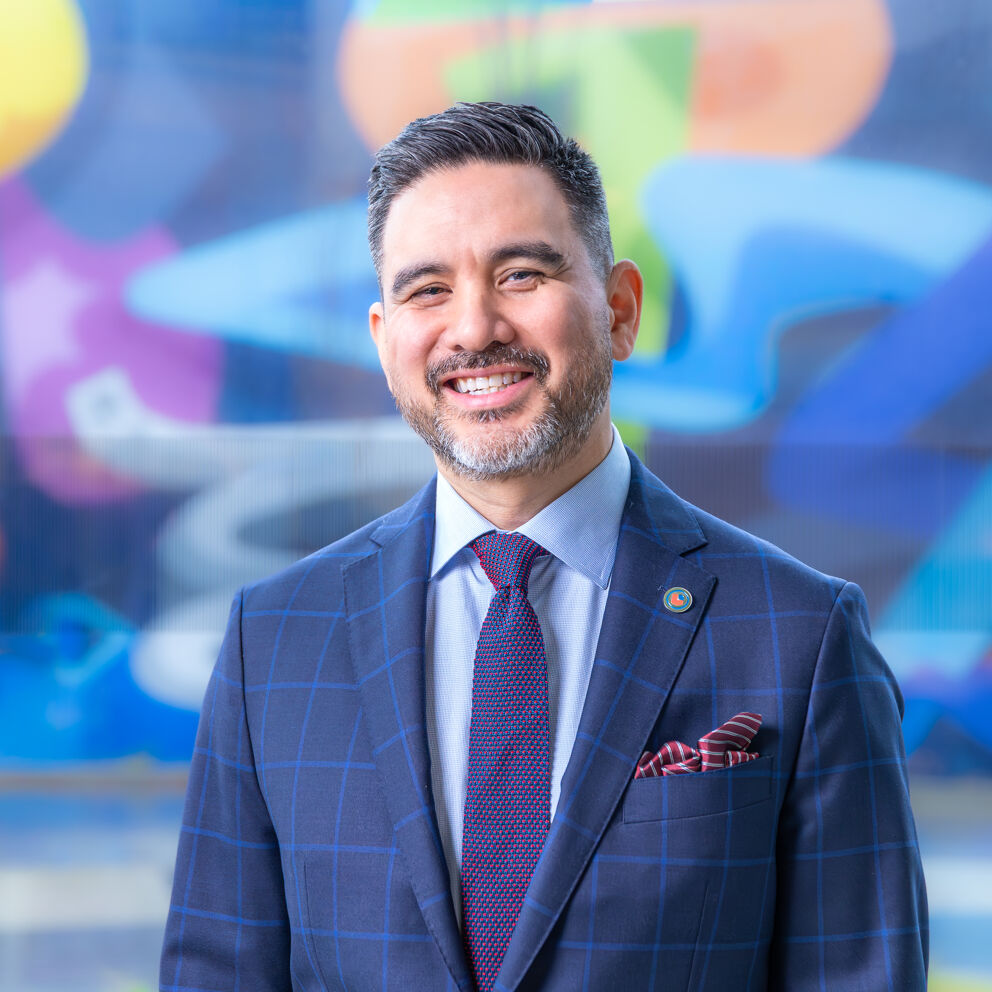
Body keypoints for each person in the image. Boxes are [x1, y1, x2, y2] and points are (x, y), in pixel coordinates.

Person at [161, 102, 928, 991]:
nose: (475, 328)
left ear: (621, 310)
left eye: (521, 275)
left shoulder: (800, 635)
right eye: (427, 289)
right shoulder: (275, 641)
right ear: (385, 342)